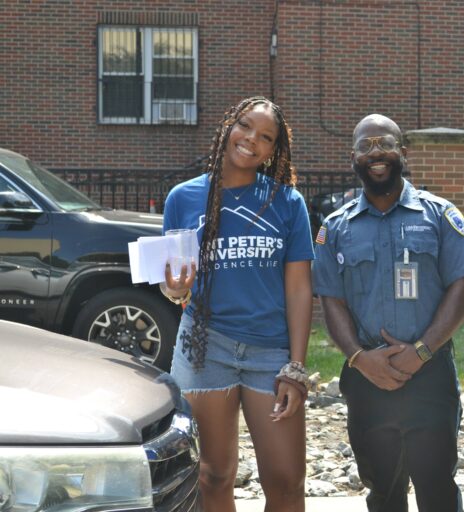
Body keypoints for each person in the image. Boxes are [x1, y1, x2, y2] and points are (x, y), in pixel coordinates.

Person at [312, 114, 464, 512]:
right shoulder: (335, 228)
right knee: (383, 492)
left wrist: (421, 350)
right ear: (352, 157)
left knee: (437, 488)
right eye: (366, 146)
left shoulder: (439, 215)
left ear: (402, 152)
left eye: (385, 143)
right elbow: (330, 299)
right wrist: (359, 358)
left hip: (430, 375)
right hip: (367, 379)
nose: (377, 153)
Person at [161, 96, 314, 512]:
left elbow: (299, 288)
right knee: (212, 475)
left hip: (270, 351)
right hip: (204, 347)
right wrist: (175, 289)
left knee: (286, 482)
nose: (251, 140)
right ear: (228, 125)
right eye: (245, 126)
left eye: (266, 137)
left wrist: (295, 368)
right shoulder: (183, 198)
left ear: (274, 150)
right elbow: (173, 287)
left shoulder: (287, 202)